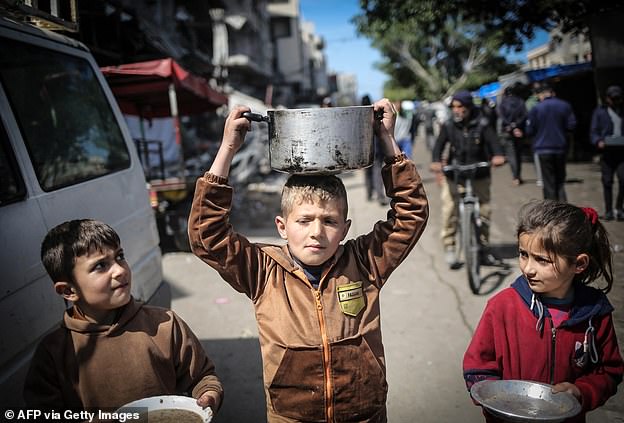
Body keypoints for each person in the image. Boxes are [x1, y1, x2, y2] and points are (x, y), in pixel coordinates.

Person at [188, 98, 428, 422]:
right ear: (282, 227)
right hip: (291, 417)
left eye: (329, 221)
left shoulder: (365, 262)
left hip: (365, 414)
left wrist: (387, 140)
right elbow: (207, 235)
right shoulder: (263, 271)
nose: (317, 232)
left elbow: (409, 215)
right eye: (304, 221)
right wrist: (228, 147)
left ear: (345, 229)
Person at [24, 219, 223, 413]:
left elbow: (203, 377)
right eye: (101, 265)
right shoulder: (53, 353)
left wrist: (209, 395)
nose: (120, 270)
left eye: (120, 256)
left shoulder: (164, 324)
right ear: (68, 290)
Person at [463, 200, 624, 423]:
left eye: (542, 260)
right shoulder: (502, 307)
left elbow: (609, 372)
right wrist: (495, 400)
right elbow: (477, 367)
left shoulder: (594, 313)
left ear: (579, 264)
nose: (528, 268)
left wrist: (581, 391)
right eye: (523, 254)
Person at [430, 90, 505, 268]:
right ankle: (449, 246)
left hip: (479, 173)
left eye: (460, 106)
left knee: (484, 212)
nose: (457, 110)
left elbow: (495, 144)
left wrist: (498, 156)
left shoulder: (483, 124)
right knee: (449, 209)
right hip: (454, 173)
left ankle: (483, 249)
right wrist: (435, 162)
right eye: (454, 107)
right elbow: (438, 146)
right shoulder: (449, 125)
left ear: (469, 107)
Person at [525, 84, 576, 201]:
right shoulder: (564, 106)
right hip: (560, 147)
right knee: (560, 180)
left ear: (541, 95)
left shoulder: (536, 108)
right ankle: (563, 207)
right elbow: (571, 125)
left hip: (543, 149)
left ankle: (551, 209)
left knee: (548, 181)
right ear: (553, 93)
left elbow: (529, 130)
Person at [590, 85, 624, 221]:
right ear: (607, 98)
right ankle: (609, 210)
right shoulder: (600, 112)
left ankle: (619, 208)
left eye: (617, 98)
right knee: (607, 181)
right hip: (607, 152)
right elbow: (593, 131)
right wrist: (598, 141)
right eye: (612, 98)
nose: (615, 101)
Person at [498, 84, 528, 186]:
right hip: (519, 132)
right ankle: (518, 175)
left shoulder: (503, 103)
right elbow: (524, 116)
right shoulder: (520, 101)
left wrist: (511, 126)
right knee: (518, 155)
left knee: (511, 156)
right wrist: (516, 126)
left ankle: (515, 177)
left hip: (507, 132)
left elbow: (502, 117)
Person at [362, 94, 388, 205]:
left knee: (368, 173)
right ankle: (379, 196)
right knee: (377, 172)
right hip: (376, 149)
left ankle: (369, 193)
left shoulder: (359, 116)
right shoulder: (374, 113)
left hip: (364, 150)